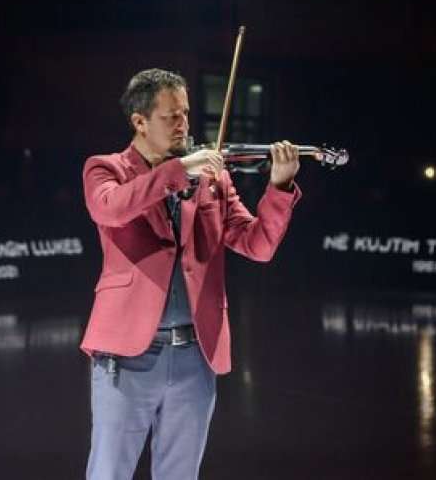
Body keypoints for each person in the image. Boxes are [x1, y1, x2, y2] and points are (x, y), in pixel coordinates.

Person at [81, 68, 302, 479]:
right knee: (109, 471)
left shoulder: (212, 176)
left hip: (194, 356)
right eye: (171, 116)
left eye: (185, 113)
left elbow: (258, 245)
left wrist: (280, 188)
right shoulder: (106, 169)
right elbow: (110, 208)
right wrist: (178, 171)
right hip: (127, 356)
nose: (184, 124)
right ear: (140, 122)